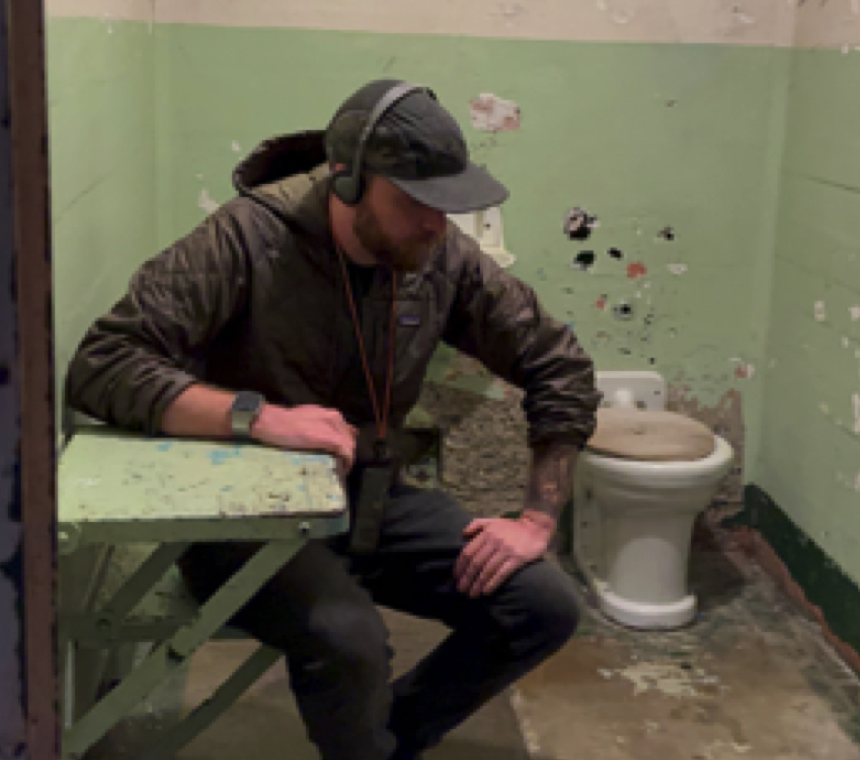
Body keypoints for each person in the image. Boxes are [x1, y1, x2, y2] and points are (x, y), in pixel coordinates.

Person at [66, 79, 602, 760]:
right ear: (348, 182)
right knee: (350, 640)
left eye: (448, 206)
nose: (437, 226)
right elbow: (103, 361)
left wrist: (535, 519)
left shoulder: (440, 258)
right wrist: (257, 417)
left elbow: (559, 366)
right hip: (244, 519)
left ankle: (386, 741)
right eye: (415, 202)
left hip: (367, 502)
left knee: (543, 606)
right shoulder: (249, 237)